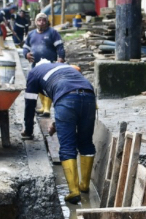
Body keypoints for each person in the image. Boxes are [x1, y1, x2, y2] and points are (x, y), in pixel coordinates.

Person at [20, 60, 96, 205]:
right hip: (89, 96)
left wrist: (28, 130)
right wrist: (57, 123)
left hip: (65, 98)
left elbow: (29, 105)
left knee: (67, 145)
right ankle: (84, 186)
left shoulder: (34, 73)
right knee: (86, 142)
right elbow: (77, 100)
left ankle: (74, 192)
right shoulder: (65, 66)